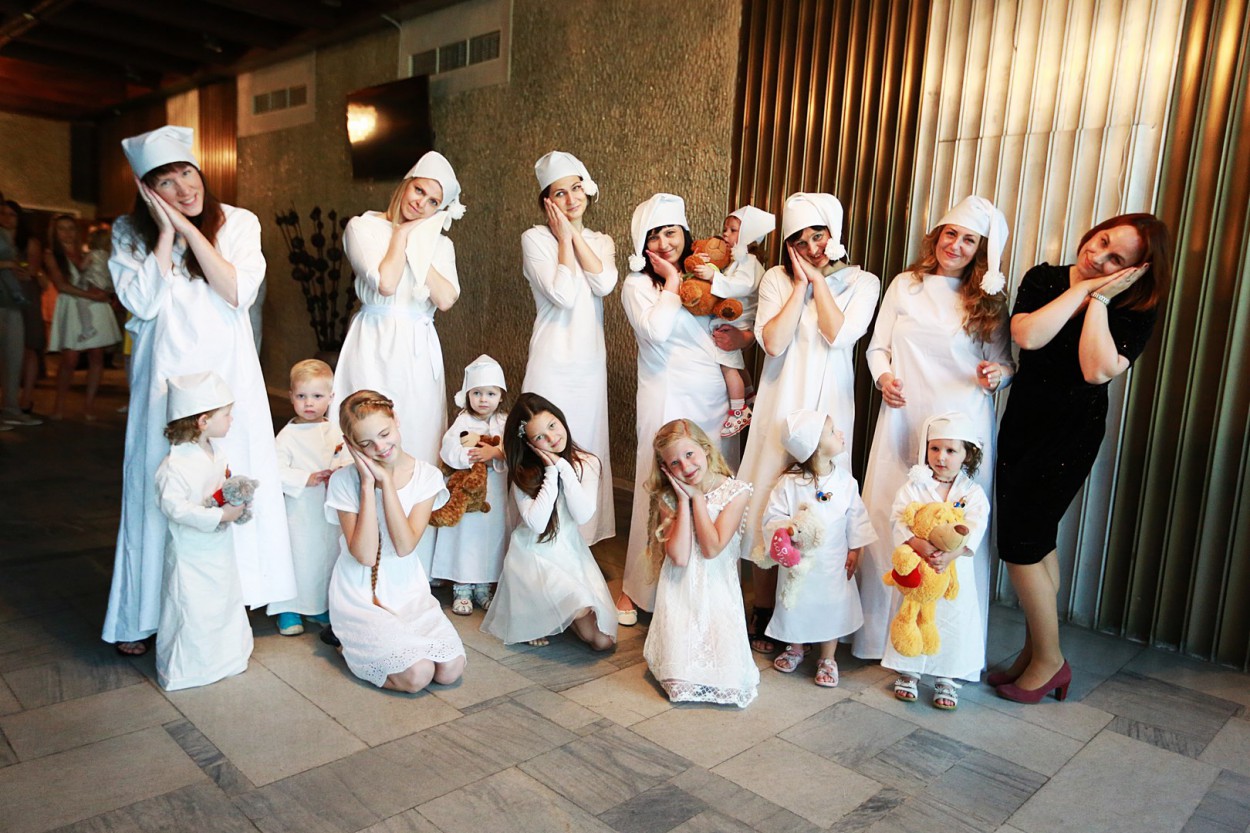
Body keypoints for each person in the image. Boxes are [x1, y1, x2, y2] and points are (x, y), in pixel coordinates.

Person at [103, 125, 296, 656]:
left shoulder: (239, 221)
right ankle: (143, 613)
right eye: (166, 182)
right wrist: (164, 234)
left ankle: (238, 599)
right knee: (159, 478)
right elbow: (142, 303)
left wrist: (189, 229)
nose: (183, 188)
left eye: (187, 173)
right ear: (147, 191)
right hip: (163, 375)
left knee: (234, 466)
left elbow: (235, 291)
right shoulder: (129, 232)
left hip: (228, 369)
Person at [993, 213, 1170, 703]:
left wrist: (1103, 299)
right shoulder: (1045, 278)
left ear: (1134, 271)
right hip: (1022, 424)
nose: (1098, 255)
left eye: (1116, 259)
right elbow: (1029, 336)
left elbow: (1096, 370)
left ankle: (1050, 661)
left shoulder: (1136, 306)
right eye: (1102, 240)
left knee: (1022, 544)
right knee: (1036, 541)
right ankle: (1035, 652)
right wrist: (1086, 287)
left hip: (1070, 434)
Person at [854, 196, 1012, 662]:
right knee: (894, 510)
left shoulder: (987, 300)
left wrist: (997, 375)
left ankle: (946, 649)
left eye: (969, 240)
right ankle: (881, 635)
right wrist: (884, 378)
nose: (955, 245)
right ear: (936, 236)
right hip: (905, 412)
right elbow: (877, 348)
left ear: (980, 250)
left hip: (961, 421)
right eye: (950, 234)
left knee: (955, 522)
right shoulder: (906, 285)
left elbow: (1005, 363)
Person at [736, 192, 879, 653]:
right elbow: (774, 344)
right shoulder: (776, 279)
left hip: (831, 404)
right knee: (769, 496)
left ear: (835, 234)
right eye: (800, 240)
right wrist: (800, 287)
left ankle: (818, 615)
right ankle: (763, 607)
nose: (812, 247)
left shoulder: (863, 282)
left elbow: (839, 334)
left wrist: (819, 281)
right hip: (781, 400)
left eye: (819, 236)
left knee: (823, 500)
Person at [334, 150, 464, 572]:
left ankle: (412, 561)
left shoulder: (441, 244)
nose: (420, 204)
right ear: (406, 184)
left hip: (418, 347)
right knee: (366, 435)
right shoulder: (363, 227)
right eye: (419, 191)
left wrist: (421, 243)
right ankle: (361, 555)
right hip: (374, 341)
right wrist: (403, 236)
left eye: (433, 202)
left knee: (419, 439)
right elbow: (386, 283)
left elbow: (445, 298)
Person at [618, 193, 732, 623]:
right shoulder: (637, 285)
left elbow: (728, 326)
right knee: (658, 488)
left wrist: (739, 341)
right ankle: (640, 586)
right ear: (641, 242)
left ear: (684, 233)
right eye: (654, 236)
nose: (665, 243)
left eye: (671, 233)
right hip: (665, 393)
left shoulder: (706, 276)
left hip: (711, 395)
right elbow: (657, 331)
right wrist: (668, 282)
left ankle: (708, 593)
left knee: (712, 486)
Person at [325, 390, 467, 692]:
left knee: (450, 670)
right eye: (366, 443)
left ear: (396, 420)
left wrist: (387, 483)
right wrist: (368, 485)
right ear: (352, 445)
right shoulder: (343, 481)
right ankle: (345, 646)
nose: (380, 447)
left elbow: (404, 547)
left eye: (384, 434)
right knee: (417, 676)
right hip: (360, 592)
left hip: (407, 587)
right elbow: (365, 556)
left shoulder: (426, 476)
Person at [521, 151, 617, 545]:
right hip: (551, 359)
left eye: (576, 188)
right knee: (543, 444)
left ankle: (580, 543)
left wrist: (574, 234)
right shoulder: (535, 239)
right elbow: (561, 294)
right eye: (560, 193)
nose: (571, 198)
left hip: (589, 362)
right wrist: (563, 239)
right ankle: (541, 540)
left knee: (585, 443)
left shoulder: (601, 241)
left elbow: (604, 284)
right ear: (547, 201)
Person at [481, 392, 617, 650]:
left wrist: (563, 467)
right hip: (533, 556)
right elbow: (538, 524)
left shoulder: (588, 463)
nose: (552, 438)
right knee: (578, 606)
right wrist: (551, 472)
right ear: (530, 443)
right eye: (540, 437)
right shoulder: (524, 470)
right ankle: (535, 614)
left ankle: (560, 615)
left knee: (602, 642)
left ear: (560, 418)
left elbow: (583, 514)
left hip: (570, 552)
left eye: (553, 425)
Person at [642, 418, 758, 707]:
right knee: (678, 685)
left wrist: (698, 500)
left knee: (728, 679)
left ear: (705, 449)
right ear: (666, 469)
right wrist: (683, 502)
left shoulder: (736, 492)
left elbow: (711, 547)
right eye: (675, 463)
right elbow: (680, 557)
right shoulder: (669, 498)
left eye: (689, 454)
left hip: (717, 590)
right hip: (680, 593)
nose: (686, 467)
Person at [880, 413, 991, 710]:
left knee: (951, 619)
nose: (941, 457)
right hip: (919, 566)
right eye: (935, 448)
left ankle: (948, 676)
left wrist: (951, 554)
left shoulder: (972, 493)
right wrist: (917, 543)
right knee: (911, 614)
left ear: (968, 455)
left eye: (951, 450)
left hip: (953, 571)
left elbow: (975, 527)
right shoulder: (914, 486)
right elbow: (899, 518)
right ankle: (908, 670)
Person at [758, 410, 875, 687]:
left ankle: (828, 657)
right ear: (815, 447)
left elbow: (856, 517)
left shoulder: (846, 482)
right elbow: (773, 516)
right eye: (833, 432)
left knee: (831, 604)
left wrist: (855, 550)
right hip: (799, 560)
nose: (841, 433)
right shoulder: (789, 483)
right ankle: (795, 647)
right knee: (795, 601)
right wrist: (786, 530)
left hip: (833, 561)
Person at [154, 371, 252, 691]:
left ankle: (225, 658)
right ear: (203, 421)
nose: (231, 420)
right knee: (192, 607)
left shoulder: (215, 452)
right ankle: (187, 669)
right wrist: (220, 515)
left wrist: (233, 499)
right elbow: (175, 507)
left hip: (218, 548)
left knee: (222, 601)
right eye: (226, 415)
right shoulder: (175, 465)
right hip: (191, 552)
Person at [267, 359, 350, 637]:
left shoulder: (335, 431)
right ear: (291, 396)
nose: (309, 403)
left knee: (323, 556)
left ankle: (316, 605)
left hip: (326, 507)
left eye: (317, 396)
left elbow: (347, 457)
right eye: (301, 396)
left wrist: (339, 471)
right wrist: (306, 478)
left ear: (331, 397)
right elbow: (274, 470)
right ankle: (288, 608)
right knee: (297, 555)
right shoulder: (287, 435)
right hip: (299, 509)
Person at [431, 354, 511, 614]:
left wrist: (496, 453)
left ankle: (484, 586)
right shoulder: (463, 421)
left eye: (490, 393)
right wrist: (472, 457)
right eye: (477, 393)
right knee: (465, 538)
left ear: (501, 396)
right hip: (467, 492)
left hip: (494, 495)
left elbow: (513, 449)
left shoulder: (505, 422)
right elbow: (448, 448)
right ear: (468, 395)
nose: (483, 399)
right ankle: (462, 586)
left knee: (490, 538)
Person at [691, 205, 775, 437]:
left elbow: (741, 286)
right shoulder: (738, 261)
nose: (725, 234)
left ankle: (739, 411)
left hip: (737, 320)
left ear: (749, 235)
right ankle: (749, 394)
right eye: (725, 229)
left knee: (728, 367)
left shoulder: (749, 262)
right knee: (737, 364)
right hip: (736, 317)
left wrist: (714, 277)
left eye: (733, 230)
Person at [45, 215, 122, 420]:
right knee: (70, 358)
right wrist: (93, 295)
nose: (67, 233)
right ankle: (59, 406)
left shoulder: (88, 253)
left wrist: (106, 293)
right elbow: (61, 285)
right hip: (73, 304)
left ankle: (88, 406)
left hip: (95, 304)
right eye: (62, 229)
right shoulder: (52, 255)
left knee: (97, 355)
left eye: (71, 228)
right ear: (55, 232)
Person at [1, 199, 46, 421]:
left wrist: (24, 269)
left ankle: (21, 401)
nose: (7, 218)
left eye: (12, 214)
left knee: (25, 348)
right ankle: (10, 404)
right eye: (3, 213)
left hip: (23, 296)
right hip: (5, 296)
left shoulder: (27, 241)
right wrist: (10, 265)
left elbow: (32, 269)